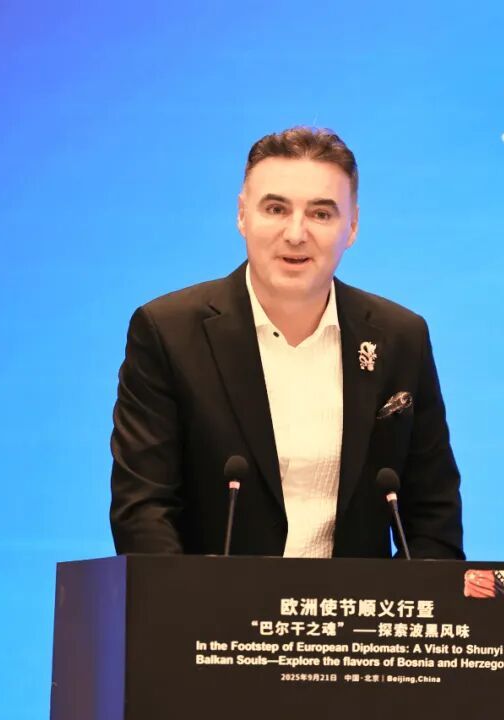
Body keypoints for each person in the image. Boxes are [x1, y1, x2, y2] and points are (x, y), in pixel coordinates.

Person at [109, 127, 462, 559]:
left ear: (352, 226)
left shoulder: (400, 336)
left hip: (357, 604)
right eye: (276, 209)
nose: (296, 234)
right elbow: (144, 509)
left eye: (321, 214)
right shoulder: (169, 332)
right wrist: (188, 600)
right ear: (242, 215)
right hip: (212, 602)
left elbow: (433, 516)